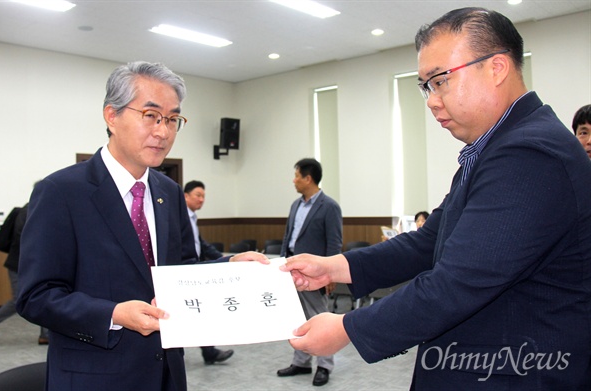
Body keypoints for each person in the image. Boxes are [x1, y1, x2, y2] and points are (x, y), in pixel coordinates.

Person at [281, 8, 591, 390]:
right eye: (426, 86)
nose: (431, 101)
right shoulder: (493, 148)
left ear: (496, 68)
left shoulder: (530, 153)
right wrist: (335, 267)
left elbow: (457, 283)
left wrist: (348, 326)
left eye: (440, 81)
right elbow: (430, 241)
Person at [16, 61, 267, 391]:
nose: (163, 132)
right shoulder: (61, 192)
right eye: (150, 115)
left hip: (166, 373)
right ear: (112, 116)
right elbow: (36, 295)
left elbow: (181, 272)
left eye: (173, 119)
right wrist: (114, 314)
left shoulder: (169, 192)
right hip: (95, 376)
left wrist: (230, 265)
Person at [276, 158, 342, 387]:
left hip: (315, 273)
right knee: (296, 316)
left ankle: (324, 365)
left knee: (319, 316)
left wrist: (332, 273)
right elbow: (288, 236)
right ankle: (301, 362)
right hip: (291, 268)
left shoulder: (330, 206)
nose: (293, 180)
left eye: (296, 176)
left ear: (308, 178)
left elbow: (334, 242)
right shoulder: (295, 205)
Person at [183, 180, 234, 365]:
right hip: (182, 272)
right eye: (198, 195)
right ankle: (207, 351)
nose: (202, 199)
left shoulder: (192, 217)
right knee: (194, 312)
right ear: (185, 196)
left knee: (198, 312)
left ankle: (209, 351)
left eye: (204, 196)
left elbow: (200, 244)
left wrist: (225, 258)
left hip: (194, 268)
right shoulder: (179, 217)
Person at [0, 201, 49, 345]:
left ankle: (45, 334)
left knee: (45, 294)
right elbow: (29, 241)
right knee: (19, 300)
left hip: (30, 264)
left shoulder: (33, 209)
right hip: (20, 265)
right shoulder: (30, 211)